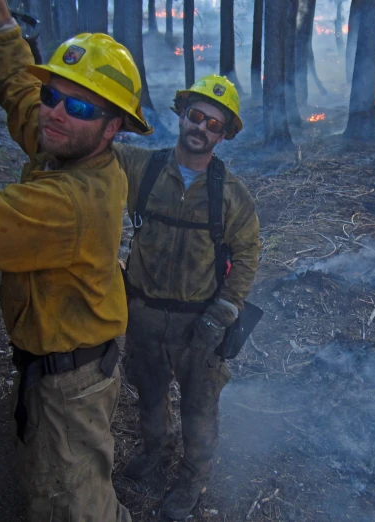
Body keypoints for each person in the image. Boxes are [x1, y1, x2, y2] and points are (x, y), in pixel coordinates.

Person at [0, 0, 152, 518]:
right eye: (54, 95)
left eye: (80, 107)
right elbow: (21, 93)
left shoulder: (71, 203)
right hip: (57, 368)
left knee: (73, 507)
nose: (56, 112)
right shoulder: (69, 148)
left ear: (114, 129)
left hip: (70, 391)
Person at [114, 75, 260, 520]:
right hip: (143, 313)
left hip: (200, 325)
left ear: (224, 134)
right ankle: (155, 454)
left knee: (199, 408)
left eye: (213, 124)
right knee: (150, 394)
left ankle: (192, 478)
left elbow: (249, 252)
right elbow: (93, 151)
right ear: (181, 116)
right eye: (195, 116)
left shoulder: (231, 195)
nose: (202, 127)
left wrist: (224, 310)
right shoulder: (142, 168)